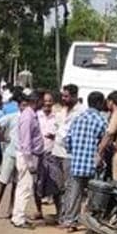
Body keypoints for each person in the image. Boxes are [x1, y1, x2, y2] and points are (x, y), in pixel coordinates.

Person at [58, 91, 109, 231]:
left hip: (78, 163)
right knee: (94, 195)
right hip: (94, 165)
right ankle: (91, 222)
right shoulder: (102, 120)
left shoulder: (78, 118)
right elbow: (106, 142)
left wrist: (73, 151)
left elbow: (67, 139)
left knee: (74, 194)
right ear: (99, 103)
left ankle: (70, 221)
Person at [11, 91, 42, 229]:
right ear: (37, 101)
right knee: (25, 187)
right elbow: (26, 142)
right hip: (26, 157)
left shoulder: (31, 115)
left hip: (29, 156)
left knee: (22, 187)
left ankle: (17, 215)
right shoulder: (28, 117)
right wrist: (30, 163)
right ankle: (19, 218)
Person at [35, 91, 64, 221]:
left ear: (53, 102)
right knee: (37, 184)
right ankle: (38, 211)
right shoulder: (36, 116)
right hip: (38, 154)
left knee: (57, 184)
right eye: (45, 101)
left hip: (53, 154)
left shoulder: (57, 117)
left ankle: (59, 212)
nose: (47, 103)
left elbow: (62, 134)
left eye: (50, 101)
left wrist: (55, 136)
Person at [0, 106, 21, 221]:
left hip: (21, 155)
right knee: (3, 182)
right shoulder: (12, 117)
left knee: (16, 184)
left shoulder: (29, 118)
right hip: (10, 153)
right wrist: (1, 137)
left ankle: (11, 209)